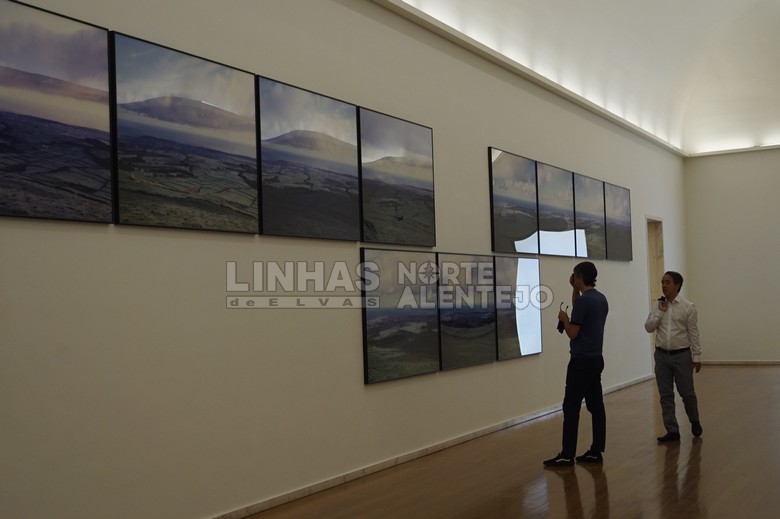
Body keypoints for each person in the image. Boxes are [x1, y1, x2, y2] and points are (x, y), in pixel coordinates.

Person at [544, 261, 609, 467]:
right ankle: (596, 450)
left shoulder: (583, 302)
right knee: (596, 406)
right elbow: (580, 311)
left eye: (575, 275)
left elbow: (573, 332)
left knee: (571, 407)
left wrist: (564, 319)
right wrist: (574, 289)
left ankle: (567, 454)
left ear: (579, 276)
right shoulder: (600, 299)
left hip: (580, 362)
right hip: (596, 359)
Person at [644, 271, 702, 442]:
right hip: (662, 356)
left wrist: (697, 356)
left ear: (677, 285)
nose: (664, 285)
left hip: (682, 356)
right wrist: (660, 312)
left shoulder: (688, 307)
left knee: (687, 393)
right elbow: (648, 327)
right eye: (662, 282)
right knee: (665, 395)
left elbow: (693, 333)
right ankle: (672, 430)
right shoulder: (658, 305)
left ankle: (694, 420)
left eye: (668, 282)